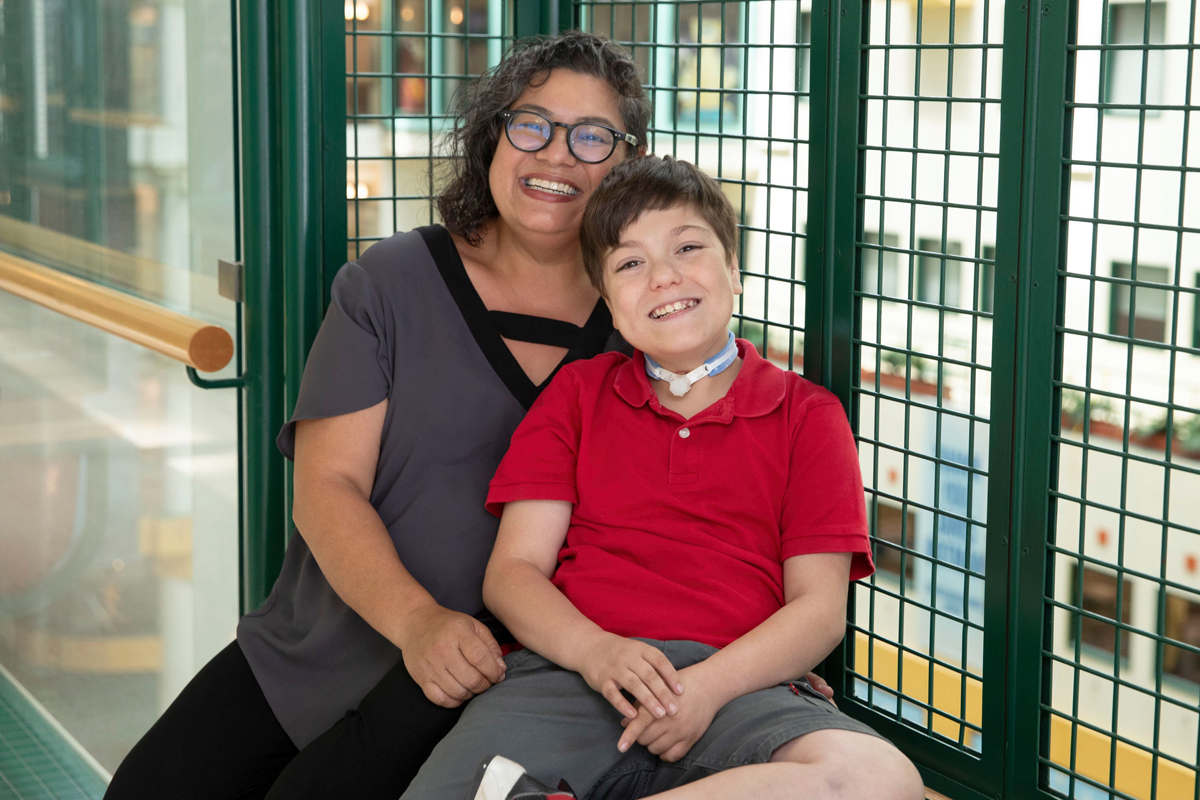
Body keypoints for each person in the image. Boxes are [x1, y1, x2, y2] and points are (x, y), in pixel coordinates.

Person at [105, 32, 649, 800]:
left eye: (593, 137)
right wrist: (419, 623)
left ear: (626, 164)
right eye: (533, 124)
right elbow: (327, 487)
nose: (558, 155)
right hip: (322, 644)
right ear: (492, 136)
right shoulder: (392, 282)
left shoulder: (641, 329)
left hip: (495, 689)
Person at [400, 156, 925, 800]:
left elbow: (819, 611)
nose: (664, 277)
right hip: (567, 676)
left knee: (881, 779)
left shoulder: (808, 416)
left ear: (734, 270)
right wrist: (596, 653)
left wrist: (706, 688)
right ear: (608, 305)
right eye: (629, 264)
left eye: (687, 248)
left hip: (737, 687)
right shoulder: (576, 395)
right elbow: (513, 574)